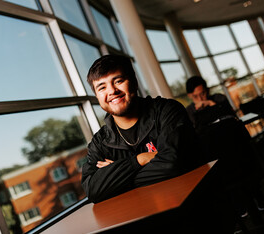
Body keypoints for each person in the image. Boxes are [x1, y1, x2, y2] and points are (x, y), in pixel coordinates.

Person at [81, 55, 206, 204]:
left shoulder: (167, 111)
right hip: (139, 216)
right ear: (96, 96)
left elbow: (174, 163)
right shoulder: (99, 142)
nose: (112, 91)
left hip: (193, 205)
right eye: (102, 87)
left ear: (134, 82)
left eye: (119, 81)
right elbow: (93, 190)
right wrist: (140, 159)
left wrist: (117, 177)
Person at [185, 76, 264, 220]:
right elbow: (194, 134)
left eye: (203, 93)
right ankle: (239, 200)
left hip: (233, 144)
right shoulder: (189, 111)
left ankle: (255, 192)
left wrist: (211, 103)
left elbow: (231, 116)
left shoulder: (218, 98)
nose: (200, 97)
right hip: (215, 150)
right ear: (189, 96)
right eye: (196, 96)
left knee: (240, 154)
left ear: (207, 90)